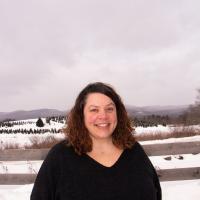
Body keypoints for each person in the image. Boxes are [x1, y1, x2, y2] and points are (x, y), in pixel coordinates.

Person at [31, 82, 162, 200]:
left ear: (118, 113)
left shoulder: (134, 150)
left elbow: (155, 193)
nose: (103, 116)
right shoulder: (60, 157)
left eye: (109, 109)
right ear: (81, 115)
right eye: (94, 110)